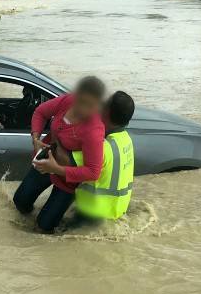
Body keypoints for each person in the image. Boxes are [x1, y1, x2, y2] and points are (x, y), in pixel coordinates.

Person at [12, 76, 106, 233]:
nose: (84, 109)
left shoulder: (94, 130)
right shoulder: (66, 101)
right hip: (48, 159)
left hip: (68, 177)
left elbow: (93, 172)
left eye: (91, 105)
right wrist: (35, 138)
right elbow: (40, 112)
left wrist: (56, 169)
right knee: (20, 201)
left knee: (43, 227)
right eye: (81, 102)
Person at [52, 91, 136, 224]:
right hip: (116, 211)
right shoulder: (126, 140)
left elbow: (64, 161)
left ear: (106, 112)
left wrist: (56, 135)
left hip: (92, 215)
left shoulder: (102, 147)